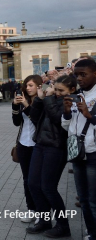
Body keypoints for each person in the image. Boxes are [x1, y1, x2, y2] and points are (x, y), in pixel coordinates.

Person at [26, 75, 75, 237]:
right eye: (57, 89)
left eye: (62, 90)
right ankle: (44, 220)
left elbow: (57, 120)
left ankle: (63, 225)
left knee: (48, 188)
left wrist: (48, 99)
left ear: (72, 90)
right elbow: (34, 116)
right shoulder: (50, 99)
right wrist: (40, 100)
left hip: (56, 147)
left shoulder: (71, 101)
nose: (58, 93)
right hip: (40, 144)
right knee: (33, 183)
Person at [62, 59, 96, 240]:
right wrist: (67, 112)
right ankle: (91, 231)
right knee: (82, 198)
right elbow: (66, 126)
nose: (79, 78)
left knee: (93, 199)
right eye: (77, 75)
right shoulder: (78, 94)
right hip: (77, 152)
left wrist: (89, 115)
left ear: (95, 74)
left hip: (93, 153)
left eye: (84, 74)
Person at [12, 74, 43, 223]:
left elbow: (37, 120)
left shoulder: (42, 101)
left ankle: (41, 211)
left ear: (39, 86)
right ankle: (31, 209)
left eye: (31, 85)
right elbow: (16, 123)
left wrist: (26, 105)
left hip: (38, 146)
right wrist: (14, 105)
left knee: (36, 181)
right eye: (26, 85)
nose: (28, 88)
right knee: (26, 180)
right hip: (23, 144)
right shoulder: (23, 101)